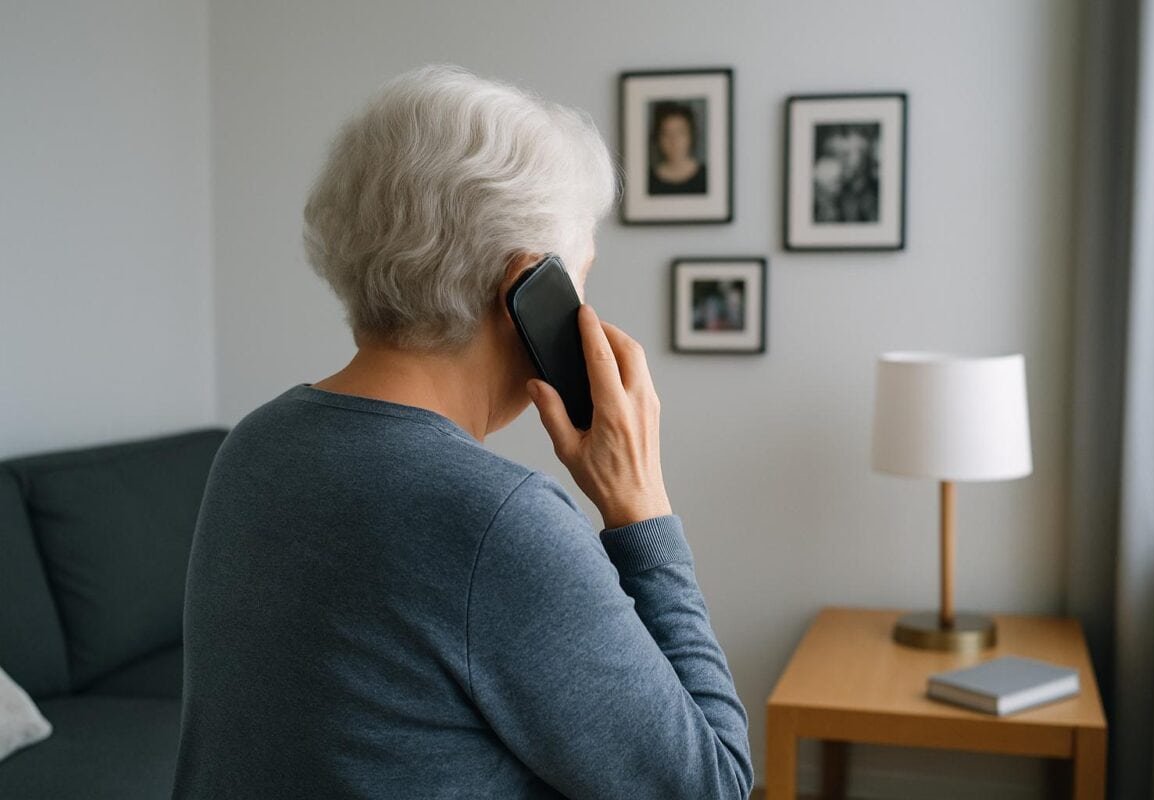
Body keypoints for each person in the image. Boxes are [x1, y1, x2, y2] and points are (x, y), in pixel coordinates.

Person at [171, 65, 752, 800]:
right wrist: (643, 509)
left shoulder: (254, 446)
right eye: (579, 280)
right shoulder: (496, 522)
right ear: (527, 289)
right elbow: (713, 786)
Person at [648, 100, 708, 195]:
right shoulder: (647, 179)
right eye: (667, 134)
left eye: (680, 133)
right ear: (658, 138)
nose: (674, 141)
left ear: (691, 136)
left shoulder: (707, 177)